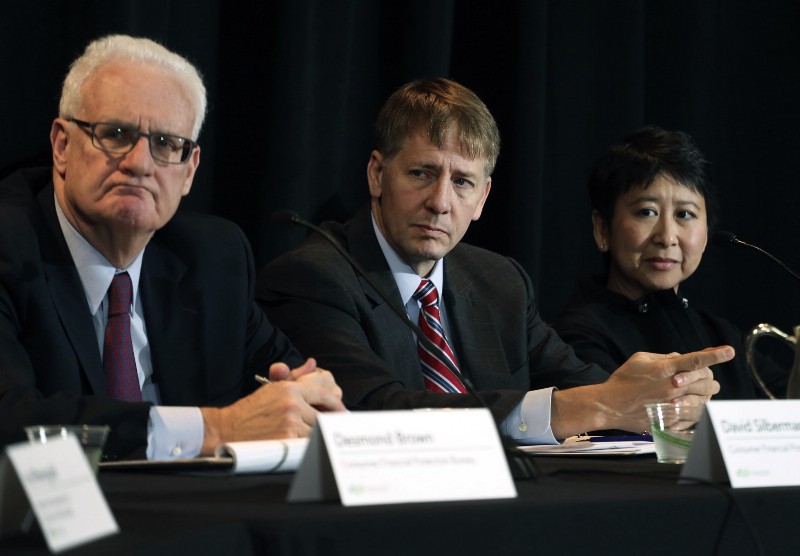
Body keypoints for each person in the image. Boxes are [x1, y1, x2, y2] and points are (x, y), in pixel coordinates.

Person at [256, 78, 733, 443]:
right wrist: (584, 408)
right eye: (422, 173)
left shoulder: (499, 281)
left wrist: (661, 394)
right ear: (378, 174)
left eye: (462, 182)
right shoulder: (313, 277)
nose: (440, 202)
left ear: (483, 197)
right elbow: (374, 411)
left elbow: (593, 388)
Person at [0, 35, 344, 461]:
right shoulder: (10, 246)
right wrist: (219, 427)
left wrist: (305, 397)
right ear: (62, 146)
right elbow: (11, 421)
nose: (140, 164)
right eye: (116, 134)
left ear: (189, 171)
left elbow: (287, 380)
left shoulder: (213, 258)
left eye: (165, 144)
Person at [554, 126, 786, 399]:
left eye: (685, 214)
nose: (666, 237)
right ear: (603, 229)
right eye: (646, 212)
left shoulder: (721, 333)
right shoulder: (576, 337)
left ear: (707, 231)